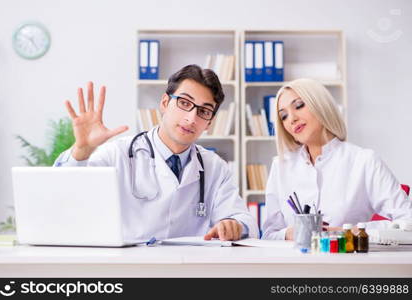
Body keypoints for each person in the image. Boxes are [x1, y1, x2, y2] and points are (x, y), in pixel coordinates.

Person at [55, 64, 258, 241]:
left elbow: (244, 220)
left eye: (203, 111)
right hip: (129, 270)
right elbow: (65, 196)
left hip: (188, 271)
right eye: (184, 103)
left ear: (209, 122)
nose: (191, 118)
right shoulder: (119, 154)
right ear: (164, 103)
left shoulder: (214, 167)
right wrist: (81, 150)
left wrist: (234, 225)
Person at [262, 78, 412, 240]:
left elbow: (408, 222)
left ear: (320, 105)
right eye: (283, 116)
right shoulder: (280, 166)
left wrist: (350, 233)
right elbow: (269, 235)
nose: (292, 119)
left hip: (347, 263)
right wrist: (289, 234)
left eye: (299, 106)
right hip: (294, 263)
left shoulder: (364, 161)